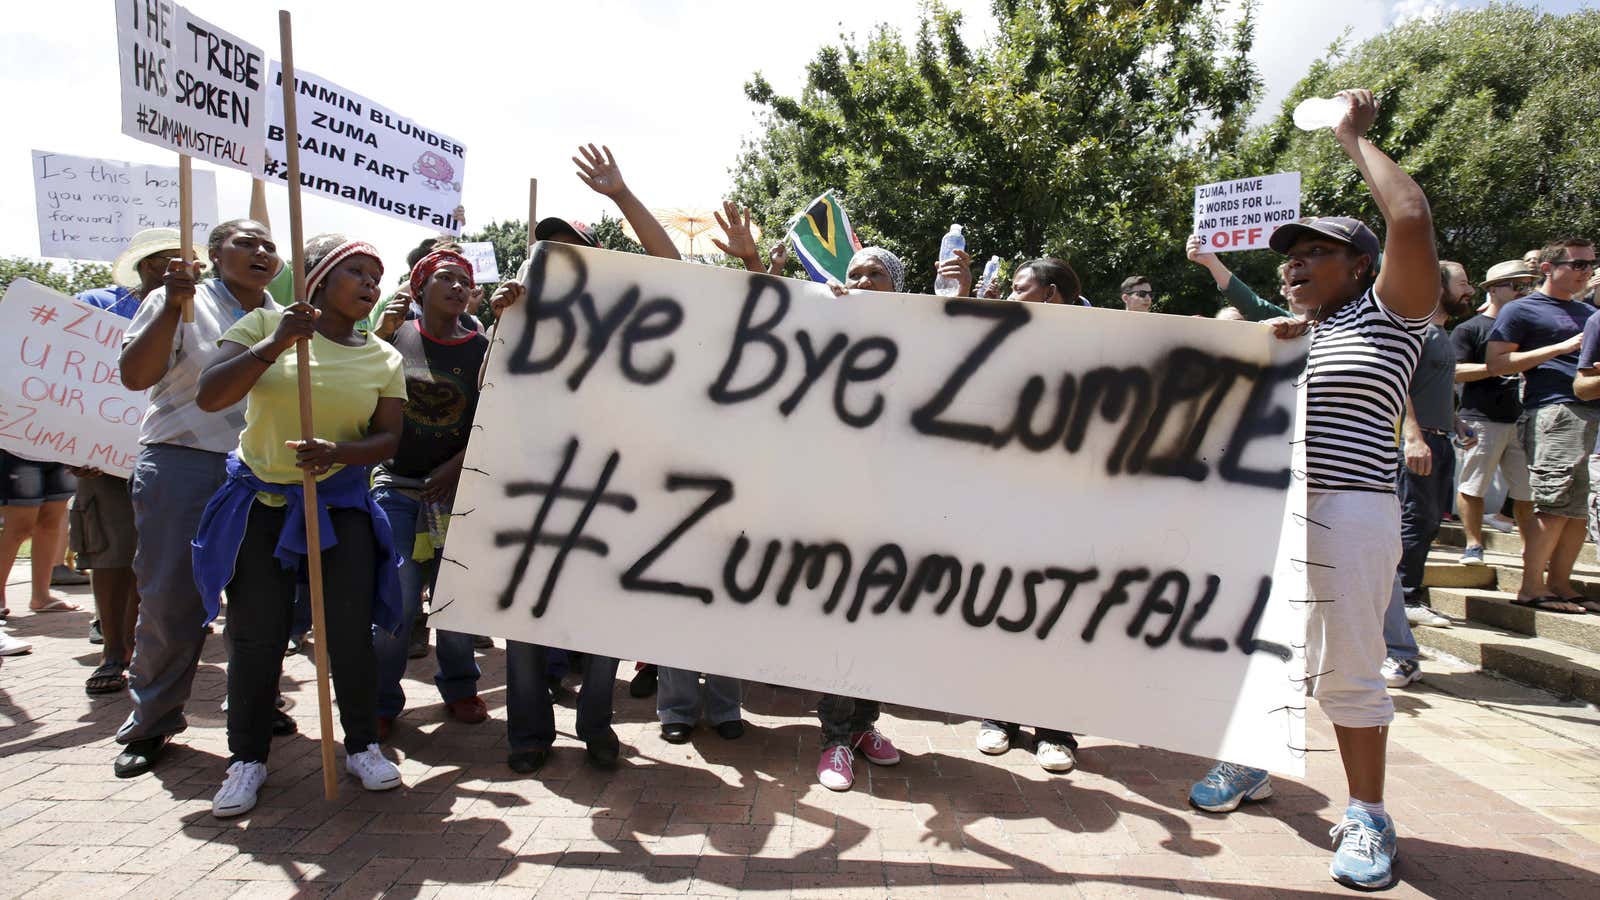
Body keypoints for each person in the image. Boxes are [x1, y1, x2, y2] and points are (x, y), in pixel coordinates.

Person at [1185, 89, 1439, 892]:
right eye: (1287, 254)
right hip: (1269, 513)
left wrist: (1350, 138)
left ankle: (1367, 815)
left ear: (1362, 266)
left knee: (1347, 670)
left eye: (1315, 252)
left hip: (1351, 509)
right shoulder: (1300, 335)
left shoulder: (1393, 316)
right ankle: (1254, 764)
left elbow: (1410, 219)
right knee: (1257, 654)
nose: (1293, 262)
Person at [191, 234, 408, 817]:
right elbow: (211, 396)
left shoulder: (383, 357)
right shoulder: (264, 324)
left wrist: (339, 451)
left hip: (341, 511)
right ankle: (247, 758)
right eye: (356, 272)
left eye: (376, 276)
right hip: (261, 507)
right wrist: (279, 341)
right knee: (257, 636)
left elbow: (388, 438)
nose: (370, 285)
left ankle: (363, 746)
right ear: (318, 279)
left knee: (348, 634)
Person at [504, 143, 682, 775]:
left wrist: (621, 196)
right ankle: (528, 733)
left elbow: (673, 266)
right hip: (530, 487)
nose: (558, 259)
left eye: (570, 248)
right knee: (523, 610)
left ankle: (596, 724)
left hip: (612, 485)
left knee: (603, 612)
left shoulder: (623, 310)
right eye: (545, 250)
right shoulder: (511, 315)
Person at [112, 220, 285, 778]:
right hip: (183, 464)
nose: (260, 252)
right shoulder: (178, 300)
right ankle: (152, 720)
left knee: (258, 600)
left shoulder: (286, 319)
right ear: (213, 255)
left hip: (259, 469)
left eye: (269, 245)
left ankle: (253, 705)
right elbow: (135, 375)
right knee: (171, 597)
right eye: (246, 243)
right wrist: (170, 307)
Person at [811, 242, 972, 791]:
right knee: (841, 622)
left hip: (901, 512)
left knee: (879, 627)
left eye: (873, 274)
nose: (859, 280)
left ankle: (862, 728)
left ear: (897, 286)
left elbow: (961, 357)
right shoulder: (833, 325)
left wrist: (963, 295)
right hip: (839, 511)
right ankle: (834, 738)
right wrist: (820, 308)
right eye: (852, 273)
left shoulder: (916, 337)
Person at [370, 248, 522, 741]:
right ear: (419, 289)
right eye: (445, 279)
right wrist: (379, 332)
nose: (457, 286)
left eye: (464, 280)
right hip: (396, 487)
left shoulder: (482, 345)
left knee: (456, 598)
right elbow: (365, 392)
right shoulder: (396, 338)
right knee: (398, 599)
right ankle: (380, 699)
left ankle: (459, 688)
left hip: (458, 491)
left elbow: (495, 414)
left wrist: (456, 469)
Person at [971, 257, 1083, 773]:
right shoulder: (1009, 335)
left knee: (1058, 612)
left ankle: (1055, 729)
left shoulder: (1104, 336)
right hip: (1008, 494)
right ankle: (999, 716)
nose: (1013, 298)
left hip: (1069, 500)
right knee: (1005, 604)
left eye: (1021, 290)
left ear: (1052, 293)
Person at [73, 229, 187, 694]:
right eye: (164, 262)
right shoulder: (96, 305)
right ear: (143, 268)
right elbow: (68, 376)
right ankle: (113, 652)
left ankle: (148, 646)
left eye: (183, 262)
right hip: (104, 456)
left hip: (169, 451)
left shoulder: (201, 310)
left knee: (155, 555)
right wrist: (73, 447)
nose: (175, 270)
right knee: (113, 553)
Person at [1486, 237, 1600, 614]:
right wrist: (1560, 347)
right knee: (1552, 504)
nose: (1586, 271)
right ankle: (1531, 587)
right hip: (1553, 411)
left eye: (1590, 264)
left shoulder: (1588, 313)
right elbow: (1498, 364)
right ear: (1548, 269)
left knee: (1578, 510)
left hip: (1590, 413)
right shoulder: (1522, 310)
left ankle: (1561, 585)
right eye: (1578, 264)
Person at [1393, 263, 1475, 631]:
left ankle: (1410, 594)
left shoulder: (1442, 333)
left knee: (1427, 523)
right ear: (1436, 287)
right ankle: (1405, 598)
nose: (1469, 290)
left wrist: (1454, 421)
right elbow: (1399, 385)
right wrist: (1412, 435)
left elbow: (1430, 388)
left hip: (1440, 440)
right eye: (1462, 284)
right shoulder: (1417, 331)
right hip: (1418, 443)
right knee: (1414, 519)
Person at [1451, 260, 1539, 565]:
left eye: (1526, 285)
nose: (1522, 292)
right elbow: (1456, 372)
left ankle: (1533, 552)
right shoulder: (1470, 328)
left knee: (1527, 492)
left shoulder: (1531, 330)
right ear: (1492, 290)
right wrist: (1498, 366)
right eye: (1515, 285)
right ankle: (1474, 545)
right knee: (1473, 485)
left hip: (1524, 420)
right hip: (1481, 419)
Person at [0, 453, 78, 618]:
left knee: (50, 524)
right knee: (19, 528)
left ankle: (41, 596)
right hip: (18, 450)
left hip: (61, 451)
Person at [1185, 234, 1293, 321]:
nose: (1295, 263)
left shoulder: (1293, 324)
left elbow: (1254, 306)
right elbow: (1253, 306)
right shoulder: (1288, 323)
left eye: (1310, 253)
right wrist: (1211, 261)